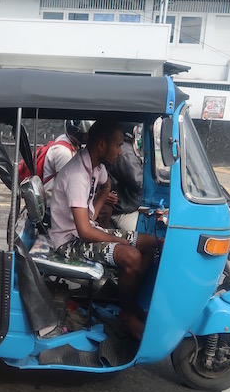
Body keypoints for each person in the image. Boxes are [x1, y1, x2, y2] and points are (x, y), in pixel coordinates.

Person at [49, 120, 157, 340]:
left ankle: (130, 301)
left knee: (151, 242)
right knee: (131, 255)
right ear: (101, 145)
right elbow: (84, 232)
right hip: (68, 241)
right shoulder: (78, 174)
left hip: (84, 231)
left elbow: (106, 186)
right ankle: (126, 315)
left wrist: (93, 213)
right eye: (117, 145)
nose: (120, 151)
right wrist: (118, 241)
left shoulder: (97, 167)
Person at [107, 123, 144, 232]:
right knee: (146, 237)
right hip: (123, 211)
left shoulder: (125, 148)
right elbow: (139, 183)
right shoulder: (125, 151)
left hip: (128, 205)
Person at [41, 120, 92, 201]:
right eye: (85, 135)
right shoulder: (64, 152)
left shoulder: (67, 142)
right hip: (54, 206)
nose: (87, 138)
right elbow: (66, 185)